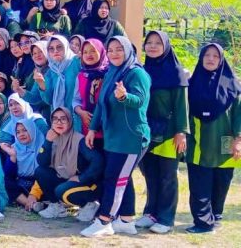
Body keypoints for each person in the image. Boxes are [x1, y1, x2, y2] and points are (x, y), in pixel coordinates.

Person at [80, 36, 151, 238]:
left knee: (115, 179)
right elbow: (101, 104)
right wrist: (92, 129)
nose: (114, 53)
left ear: (128, 50)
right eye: (110, 50)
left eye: (119, 49)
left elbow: (140, 101)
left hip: (131, 137)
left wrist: (124, 97)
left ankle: (104, 221)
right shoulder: (112, 71)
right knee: (121, 178)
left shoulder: (137, 73)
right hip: (113, 137)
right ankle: (126, 220)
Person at [136, 30, 189, 233]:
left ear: (166, 46)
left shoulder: (176, 72)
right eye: (149, 42)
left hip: (169, 132)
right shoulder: (143, 71)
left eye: (158, 43)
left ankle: (166, 218)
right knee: (150, 173)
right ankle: (151, 213)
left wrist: (181, 131)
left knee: (167, 176)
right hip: (148, 131)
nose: (152, 46)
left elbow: (182, 105)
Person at [184, 43, 240, 234]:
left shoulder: (233, 86)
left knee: (221, 183)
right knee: (199, 183)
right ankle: (202, 222)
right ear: (201, 58)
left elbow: (238, 114)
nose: (210, 59)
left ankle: (215, 216)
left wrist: (239, 140)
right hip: (199, 142)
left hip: (225, 143)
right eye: (207, 55)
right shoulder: (191, 85)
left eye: (215, 56)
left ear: (221, 60)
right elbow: (184, 112)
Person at [33, 107, 104, 221]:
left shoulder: (79, 140)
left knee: (61, 190)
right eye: (55, 119)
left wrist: (81, 178)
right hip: (67, 179)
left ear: (70, 121)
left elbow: (98, 161)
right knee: (40, 172)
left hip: (88, 184)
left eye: (63, 119)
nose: (59, 122)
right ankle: (57, 207)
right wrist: (48, 142)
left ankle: (91, 204)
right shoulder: (54, 138)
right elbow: (42, 162)